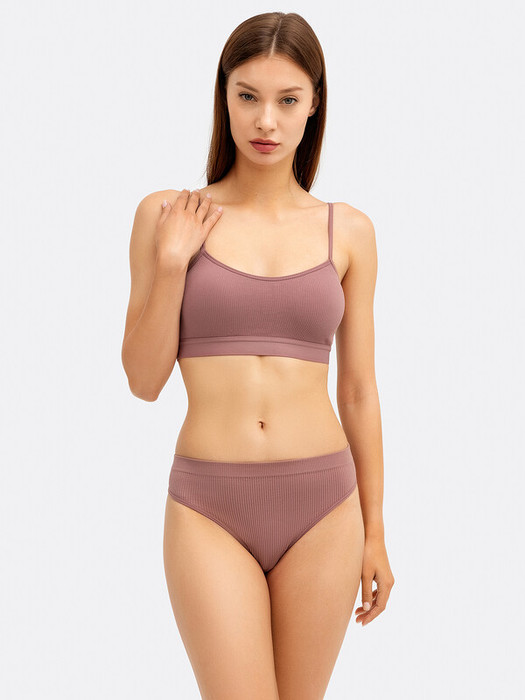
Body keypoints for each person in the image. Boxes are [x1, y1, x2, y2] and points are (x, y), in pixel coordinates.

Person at [121, 11, 394, 700]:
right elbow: (143, 381)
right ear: (224, 96)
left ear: (314, 103)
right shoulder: (167, 217)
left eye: (287, 99)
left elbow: (359, 391)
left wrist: (375, 531)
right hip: (208, 507)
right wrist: (174, 264)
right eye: (247, 96)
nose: (265, 121)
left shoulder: (348, 231)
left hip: (325, 507)